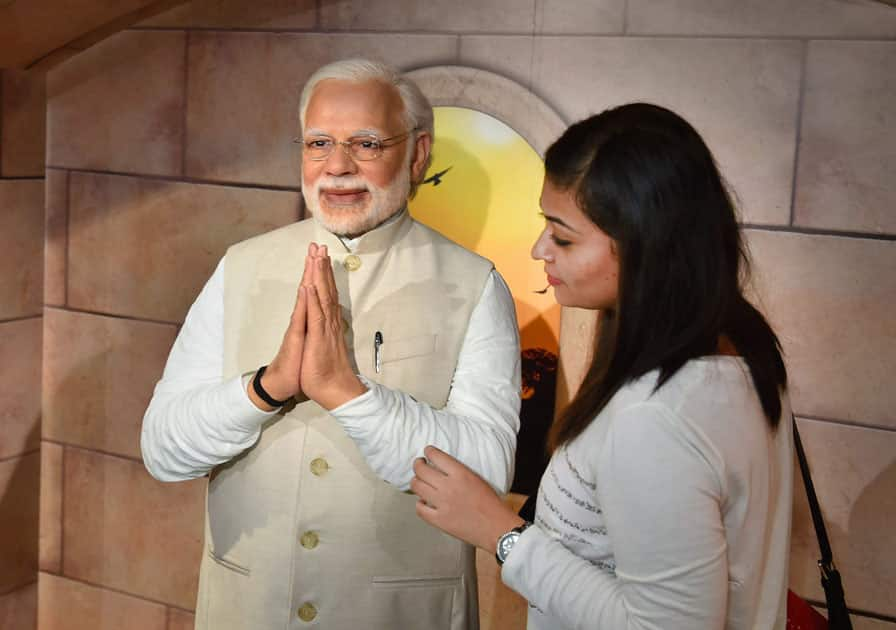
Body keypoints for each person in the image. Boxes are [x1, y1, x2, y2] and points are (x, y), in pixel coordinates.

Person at [140, 58, 521, 630]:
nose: (338, 166)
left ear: (418, 155)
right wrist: (266, 389)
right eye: (319, 143)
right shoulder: (240, 266)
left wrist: (352, 397)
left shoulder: (477, 285)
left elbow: (488, 474)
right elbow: (162, 451)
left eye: (365, 143)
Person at [412, 103, 793, 630]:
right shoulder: (742, 342)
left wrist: (499, 532)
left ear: (645, 245)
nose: (540, 249)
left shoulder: (655, 417)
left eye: (563, 236)